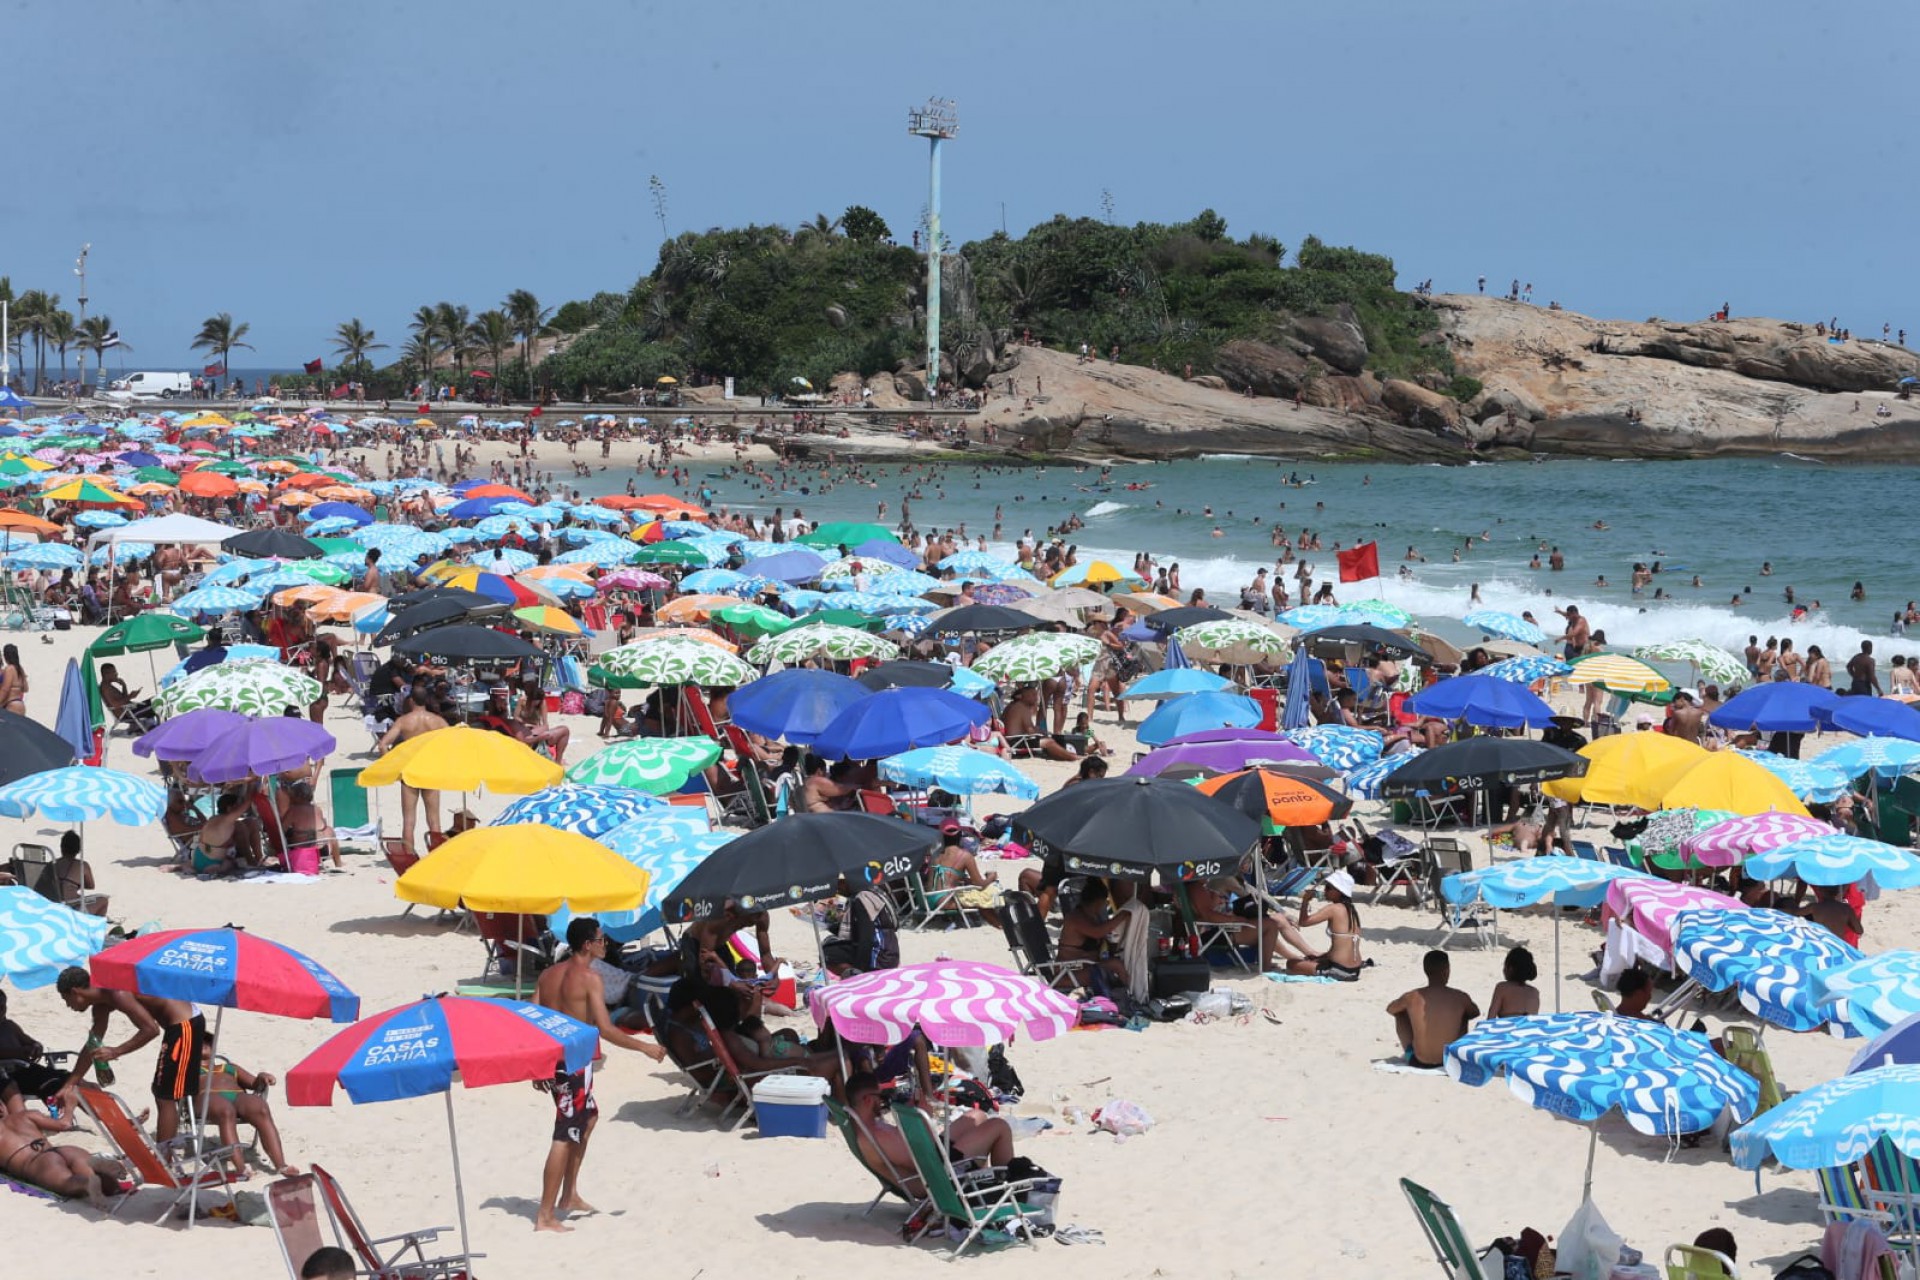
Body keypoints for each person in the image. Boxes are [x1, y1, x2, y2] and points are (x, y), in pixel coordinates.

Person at [532, 918, 667, 1233]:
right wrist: (644, 1047)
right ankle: (545, 1216)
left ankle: (569, 1195)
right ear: (587, 945)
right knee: (564, 1135)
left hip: (554, 1063)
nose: (606, 944)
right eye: (601, 939)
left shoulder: (548, 975)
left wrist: (537, 1065)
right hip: (572, 1065)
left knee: (589, 1116)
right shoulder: (590, 978)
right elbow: (605, 1029)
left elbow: (533, 1017)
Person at [56, 966, 204, 1144]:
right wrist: (69, 1084)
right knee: (163, 1093)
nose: (68, 1006)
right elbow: (91, 1045)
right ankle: (166, 1153)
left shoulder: (117, 994)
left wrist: (115, 1051)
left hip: (186, 1024)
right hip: (178, 1027)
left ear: (75, 992)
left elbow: (150, 1030)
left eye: (66, 1000)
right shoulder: (100, 1005)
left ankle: (164, 1158)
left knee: (165, 1095)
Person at [844, 1070, 1020, 1194]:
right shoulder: (876, 1136)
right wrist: (925, 1118)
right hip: (936, 1176)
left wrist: (912, 1113)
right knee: (998, 1126)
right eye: (879, 1097)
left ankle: (980, 1182)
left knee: (977, 1115)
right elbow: (923, 1161)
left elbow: (908, 1148)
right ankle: (1006, 1186)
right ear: (867, 1099)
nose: (883, 1102)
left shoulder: (867, 1127)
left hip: (934, 1158)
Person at [0, 1101, 125, 1202]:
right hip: (63, 1150)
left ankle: (85, 1183)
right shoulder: (25, 1115)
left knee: (68, 1181)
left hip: (37, 1163)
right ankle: (111, 1182)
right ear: (3, 1106)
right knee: (102, 1180)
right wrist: (69, 1107)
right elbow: (64, 1125)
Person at [202, 1049, 297, 1178]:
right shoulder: (187, 1070)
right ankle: (241, 1168)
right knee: (226, 1111)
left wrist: (262, 1076)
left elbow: (253, 1083)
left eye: (208, 1041)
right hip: (208, 1097)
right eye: (200, 1042)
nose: (205, 1045)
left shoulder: (229, 1067)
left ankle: (281, 1165)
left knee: (260, 1107)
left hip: (236, 1096)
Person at [377, 692, 449, 850]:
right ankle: (436, 855)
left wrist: (392, 766)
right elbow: (452, 742)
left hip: (409, 770)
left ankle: (409, 855)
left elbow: (383, 745)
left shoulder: (404, 721)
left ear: (411, 700)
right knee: (434, 818)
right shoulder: (437, 721)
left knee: (409, 820)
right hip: (430, 770)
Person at [1387, 950, 1480, 1069]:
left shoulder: (1412, 997)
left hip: (1418, 1061)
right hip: (1452, 1060)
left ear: (1426, 971)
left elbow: (1390, 1009)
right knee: (1464, 1014)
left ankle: (1411, 1050)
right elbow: (1475, 1012)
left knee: (1399, 1013)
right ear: (1447, 971)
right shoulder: (1460, 997)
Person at [1287, 870, 1364, 978]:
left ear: (1339, 891)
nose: (1325, 891)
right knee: (1313, 959)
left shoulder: (1333, 909)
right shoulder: (1352, 911)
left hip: (1339, 969)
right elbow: (1342, 946)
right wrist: (1323, 957)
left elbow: (1303, 922)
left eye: (1328, 888)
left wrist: (1305, 901)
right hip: (1355, 969)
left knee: (1291, 963)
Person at [1055, 879, 1129, 991]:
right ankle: (1132, 997)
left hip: (1087, 967)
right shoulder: (1076, 918)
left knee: (1124, 959)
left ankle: (1127, 992)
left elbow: (1103, 939)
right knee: (1116, 965)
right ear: (1098, 902)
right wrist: (1122, 915)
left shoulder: (1092, 917)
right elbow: (1097, 932)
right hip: (1068, 974)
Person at [928, 822, 1003, 928]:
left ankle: (979, 920)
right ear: (960, 837)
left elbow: (943, 877)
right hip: (945, 901)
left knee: (974, 895)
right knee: (983, 897)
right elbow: (980, 885)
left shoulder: (935, 855)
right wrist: (991, 877)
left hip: (930, 898)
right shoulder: (965, 856)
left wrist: (961, 880)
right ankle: (999, 925)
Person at [53, 830, 106, 916]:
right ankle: (93, 927)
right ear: (78, 850)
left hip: (53, 904)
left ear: (61, 847)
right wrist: (74, 882)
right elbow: (91, 886)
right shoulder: (82, 865)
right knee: (103, 900)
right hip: (70, 907)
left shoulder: (52, 864)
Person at [1486, 947, 1540, 1019]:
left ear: (1510, 968)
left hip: (1509, 1029)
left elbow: (1491, 1018)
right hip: (1529, 1029)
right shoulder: (1534, 992)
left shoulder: (1502, 988)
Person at [0, 643, 25, 715]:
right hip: (20, 704)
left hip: (11, 705)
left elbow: (5, 689)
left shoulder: (9, 669)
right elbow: (25, 688)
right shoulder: (19, 669)